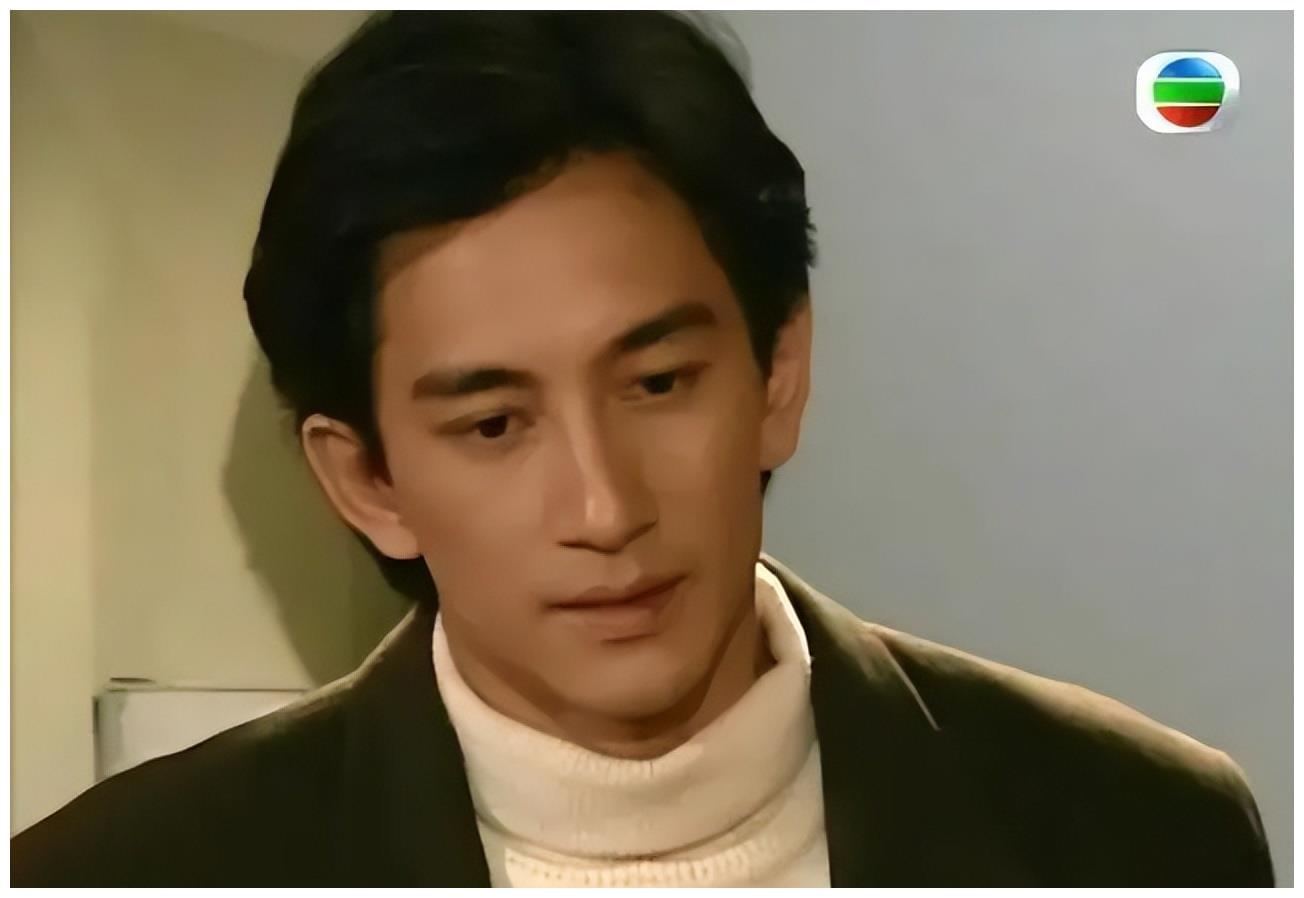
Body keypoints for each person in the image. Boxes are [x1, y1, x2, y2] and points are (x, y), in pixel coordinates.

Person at [11, 11, 1274, 887]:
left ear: (778, 371)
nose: (604, 506)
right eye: (494, 424)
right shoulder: (120, 874)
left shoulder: (1139, 829)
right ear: (367, 479)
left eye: (659, 382)